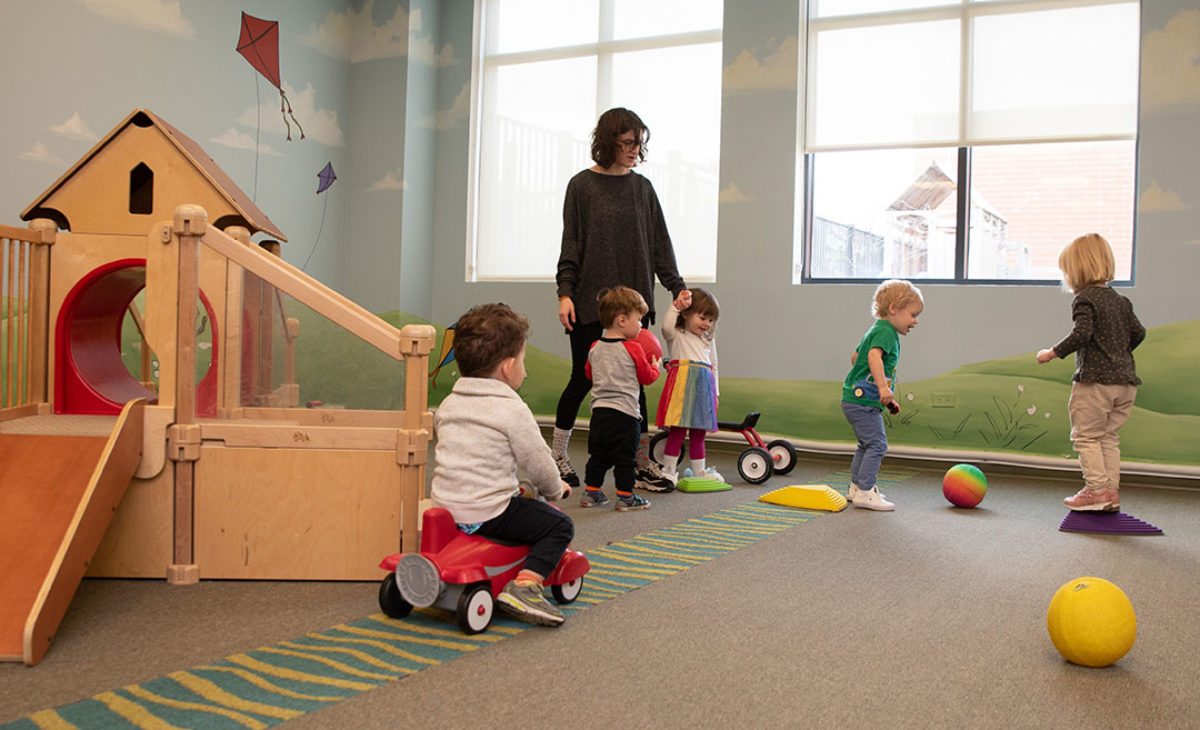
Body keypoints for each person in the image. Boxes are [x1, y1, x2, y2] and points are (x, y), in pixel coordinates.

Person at [553, 107, 687, 494]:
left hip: (634, 307)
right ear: (608, 141)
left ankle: (640, 463)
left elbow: (660, 244)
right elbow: (571, 245)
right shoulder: (581, 186)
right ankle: (558, 456)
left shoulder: (642, 188)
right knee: (582, 378)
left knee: (634, 385)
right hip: (589, 303)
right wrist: (564, 293)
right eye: (628, 143)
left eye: (639, 144)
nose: (634, 151)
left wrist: (676, 286)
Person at [430, 303, 575, 627]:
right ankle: (526, 585)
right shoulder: (512, 409)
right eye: (523, 361)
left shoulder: (450, 403)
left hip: (446, 505)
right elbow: (538, 462)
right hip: (488, 512)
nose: (525, 369)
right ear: (508, 368)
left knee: (520, 494)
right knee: (558, 525)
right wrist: (554, 489)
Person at [1036, 233, 1144, 512]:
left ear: (1078, 271)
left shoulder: (1085, 299)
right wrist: (1119, 352)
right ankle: (1110, 492)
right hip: (1126, 382)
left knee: (1085, 437)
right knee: (1107, 437)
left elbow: (1081, 334)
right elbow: (1139, 333)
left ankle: (1096, 490)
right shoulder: (1121, 301)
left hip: (1096, 382)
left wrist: (1052, 353)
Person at [841, 279, 924, 511]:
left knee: (865, 445)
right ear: (894, 308)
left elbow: (855, 357)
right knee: (877, 445)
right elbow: (873, 358)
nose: (916, 321)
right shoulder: (886, 332)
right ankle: (866, 492)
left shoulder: (875, 329)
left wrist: (881, 394)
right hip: (863, 402)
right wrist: (882, 388)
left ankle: (857, 488)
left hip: (852, 399)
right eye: (913, 314)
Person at [579, 287, 661, 512]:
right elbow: (646, 378)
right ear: (622, 320)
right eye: (639, 319)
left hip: (599, 413)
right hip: (625, 415)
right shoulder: (633, 348)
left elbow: (589, 374)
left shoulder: (595, 347)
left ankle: (591, 492)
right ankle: (625, 496)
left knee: (598, 455)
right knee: (626, 458)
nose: (641, 325)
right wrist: (655, 367)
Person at [656, 288, 722, 484]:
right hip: (681, 386)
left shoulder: (708, 340)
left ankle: (699, 472)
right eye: (702, 318)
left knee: (699, 432)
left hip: (704, 387)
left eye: (710, 320)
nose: (707, 324)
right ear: (686, 314)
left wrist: (716, 393)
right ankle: (668, 470)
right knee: (677, 430)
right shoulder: (677, 334)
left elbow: (714, 366)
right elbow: (665, 327)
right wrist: (675, 307)